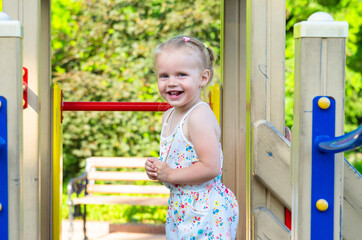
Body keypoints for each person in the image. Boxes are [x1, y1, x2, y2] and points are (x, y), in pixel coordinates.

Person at [145, 36, 239, 239]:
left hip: (206, 211)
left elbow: (210, 167)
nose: (171, 83)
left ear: (203, 78)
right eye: (164, 76)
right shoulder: (169, 115)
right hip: (182, 209)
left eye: (181, 75)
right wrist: (159, 169)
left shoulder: (199, 116)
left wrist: (169, 174)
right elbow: (179, 162)